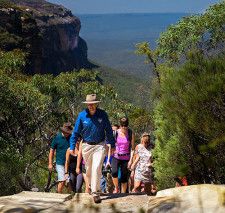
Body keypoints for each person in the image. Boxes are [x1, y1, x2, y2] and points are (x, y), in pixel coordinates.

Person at [70, 94, 116, 203]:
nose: (91, 106)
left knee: (97, 167)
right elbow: (76, 132)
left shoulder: (102, 115)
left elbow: (109, 130)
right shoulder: (82, 116)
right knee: (89, 169)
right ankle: (91, 185)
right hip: (86, 146)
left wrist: (112, 145)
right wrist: (72, 146)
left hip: (100, 145)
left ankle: (95, 192)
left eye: (93, 104)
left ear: (96, 104)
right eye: (89, 104)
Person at [111, 116, 135, 193]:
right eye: (122, 126)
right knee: (114, 172)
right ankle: (116, 187)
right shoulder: (115, 133)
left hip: (126, 157)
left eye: (125, 126)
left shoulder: (130, 133)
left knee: (124, 177)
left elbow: (132, 148)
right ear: (119, 124)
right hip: (116, 156)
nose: (123, 127)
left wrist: (131, 160)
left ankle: (123, 194)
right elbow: (111, 146)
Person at [48, 123, 73, 193]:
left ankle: (71, 197)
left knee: (70, 183)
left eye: (69, 132)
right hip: (60, 163)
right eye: (67, 132)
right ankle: (59, 197)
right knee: (62, 181)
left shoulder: (72, 138)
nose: (68, 134)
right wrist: (50, 163)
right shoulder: (57, 139)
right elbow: (51, 150)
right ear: (63, 131)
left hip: (70, 163)